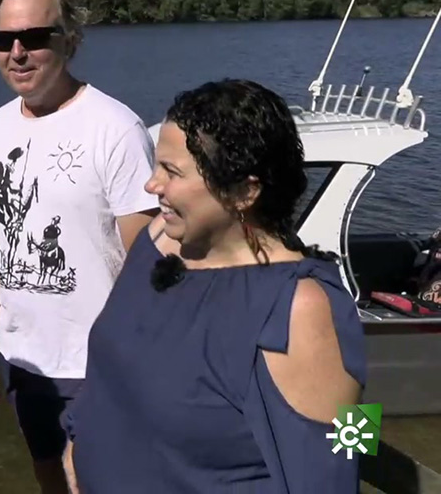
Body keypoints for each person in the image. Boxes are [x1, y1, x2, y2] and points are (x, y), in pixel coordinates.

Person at [66, 79, 367, 492]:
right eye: (157, 165)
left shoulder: (302, 307)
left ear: (244, 191)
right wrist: (78, 435)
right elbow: (110, 363)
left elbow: (347, 447)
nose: (151, 186)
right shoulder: (159, 239)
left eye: (171, 172)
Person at [0, 0, 158, 492]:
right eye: (4, 40)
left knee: (94, 481)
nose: (17, 53)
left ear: (70, 41)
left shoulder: (115, 129)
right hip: (24, 357)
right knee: (48, 472)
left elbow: (146, 261)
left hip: (98, 363)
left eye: (35, 38)